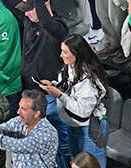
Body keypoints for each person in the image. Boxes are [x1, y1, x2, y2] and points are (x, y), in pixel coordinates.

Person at [40, 35, 109, 166]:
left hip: (90, 129)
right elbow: (70, 89)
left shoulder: (89, 78)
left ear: (77, 54)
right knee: (76, 163)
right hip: (73, 126)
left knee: (92, 165)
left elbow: (82, 111)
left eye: (65, 52)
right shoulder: (69, 67)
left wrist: (59, 95)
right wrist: (54, 86)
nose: (61, 55)